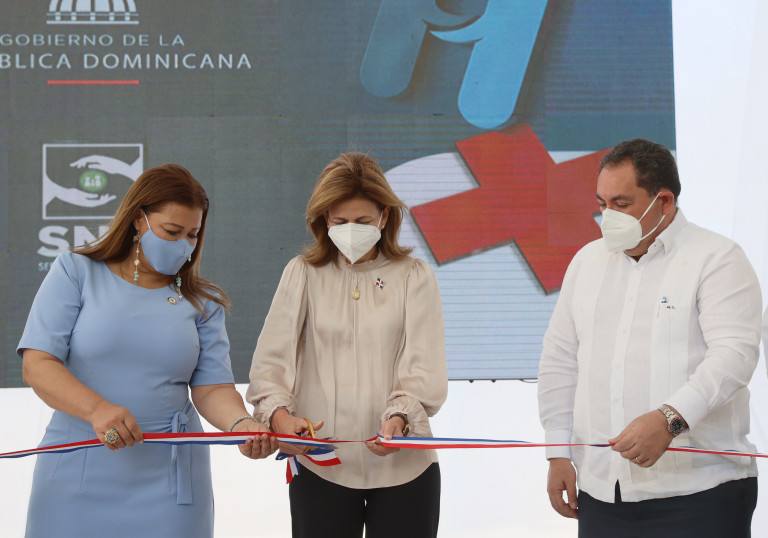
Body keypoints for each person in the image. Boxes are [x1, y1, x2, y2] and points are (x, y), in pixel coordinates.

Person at [19, 163, 278, 538]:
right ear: (138, 219)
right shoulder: (75, 271)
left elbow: (212, 388)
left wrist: (242, 425)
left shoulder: (204, 302)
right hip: (76, 470)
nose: (184, 244)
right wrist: (96, 410)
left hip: (170, 484)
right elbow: (38, 364)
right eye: (172, 231)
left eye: (192, 234)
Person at [537, 139, 761, 537]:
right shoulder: (587, 262)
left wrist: (669, 420)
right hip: (603, 492)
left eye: (621, 204)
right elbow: (560, 359)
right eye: (602, 204)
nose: (608, 216)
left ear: (664, 201)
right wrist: (558, 452)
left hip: (702, 492)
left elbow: (734, 357)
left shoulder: (717, 258)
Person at [246, 152, 448, 538]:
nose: (351, 230)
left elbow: (425, 366)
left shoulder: (415, 276)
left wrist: (400, 419)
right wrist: (280, 418)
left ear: (384, 217)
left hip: (406, 470)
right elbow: (270, 365)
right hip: (321, 466)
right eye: (340, 222)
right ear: (324, 219)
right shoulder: (301, 273)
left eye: (363, 221)